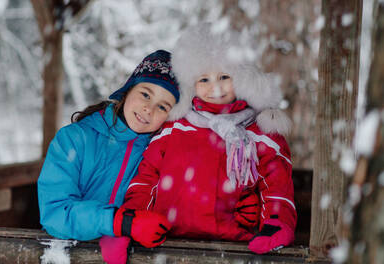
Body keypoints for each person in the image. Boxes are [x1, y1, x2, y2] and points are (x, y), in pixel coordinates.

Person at [103, 24, 296, 261]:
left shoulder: (260, 132)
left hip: (233, 248)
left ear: (243, 77)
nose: (215, 87)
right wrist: (131, 221)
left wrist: (275, 222)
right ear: (191, 83)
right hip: (167, 244)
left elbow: (276, 184)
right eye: (204, 79)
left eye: (224, 76)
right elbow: (147, 178)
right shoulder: (174, 128)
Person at [37, 50, 180, 261]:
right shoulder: (74, 139)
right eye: (145, 94)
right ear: (128, 90)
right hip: (67, 257)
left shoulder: (159, 156)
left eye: (162, 106)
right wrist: (118, 221)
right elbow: (55, 212)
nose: (149, 109)